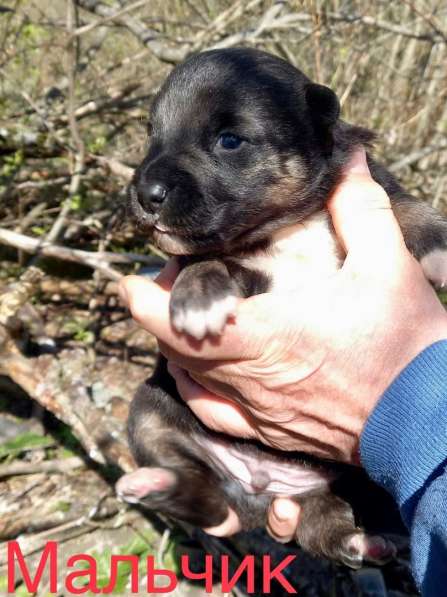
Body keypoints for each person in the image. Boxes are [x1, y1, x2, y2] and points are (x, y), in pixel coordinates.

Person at [118, 148, 447, 595]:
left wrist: (426, 234)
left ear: (311, 125)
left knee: (319, 506)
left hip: (326, 464)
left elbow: (394, 209)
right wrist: (203, 275)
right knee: (151, 417)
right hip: (218, 442)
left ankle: (342, 534)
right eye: (155, 138)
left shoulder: (353, 185)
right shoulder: (238, 223)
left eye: (229, 140)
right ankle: (201, 500)